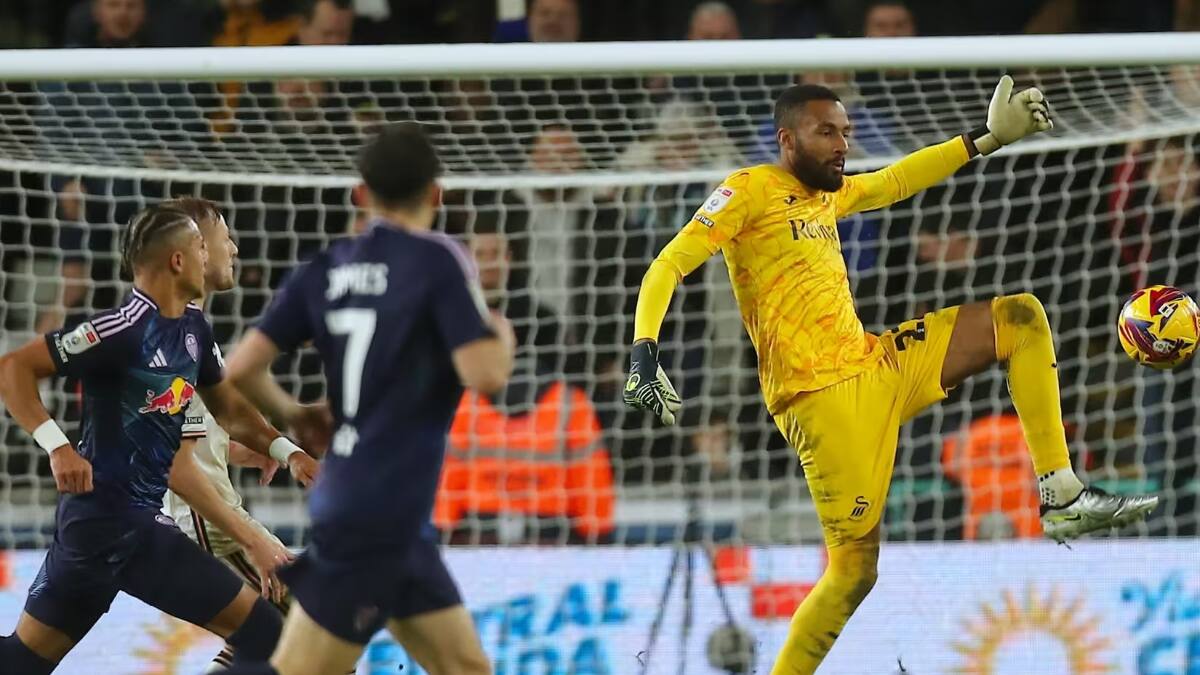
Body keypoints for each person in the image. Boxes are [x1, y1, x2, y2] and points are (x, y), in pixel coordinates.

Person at [622, 78, 1159, 672]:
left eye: (845, 132)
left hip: (876, 362)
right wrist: (644, 350)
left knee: (1021, 319)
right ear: (786, 139)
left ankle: (1061, 493)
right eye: (826, 132)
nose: (841, 144)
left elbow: (895, 180)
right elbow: (668, 265)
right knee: (854, 573)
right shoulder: (749, 190)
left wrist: (985, 139)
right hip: (823, 402)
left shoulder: (826, 197)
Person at [221, 122, 512, 675]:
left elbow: (239, 369)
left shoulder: (325, 268)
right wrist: (501, 334)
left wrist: (293, 413)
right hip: (378, 516)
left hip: (377, 511)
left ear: (360, 194)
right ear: (436, 194)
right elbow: (486, 375)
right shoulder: (438, 259)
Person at [0, 205, 301, 673]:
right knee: (269, 635)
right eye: (202, 247)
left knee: (21, 662)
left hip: (118, 529)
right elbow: (14, 367)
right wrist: (57, 445)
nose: (212, 255)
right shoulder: (119, 330)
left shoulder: (193, 331)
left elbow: (231, 411)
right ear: (178, 261)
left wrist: (287, 451)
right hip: (111, 525)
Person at [156, 196, 323, 672]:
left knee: (273, 637)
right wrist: (252, 538)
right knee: (315, 625)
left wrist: (271, 451)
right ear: (192, 249)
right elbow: (170, 457)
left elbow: (210, 417)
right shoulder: (167, 333)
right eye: (224, 237)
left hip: (203, 517)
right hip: (203, 523)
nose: (233, 248)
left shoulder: (190, 328)